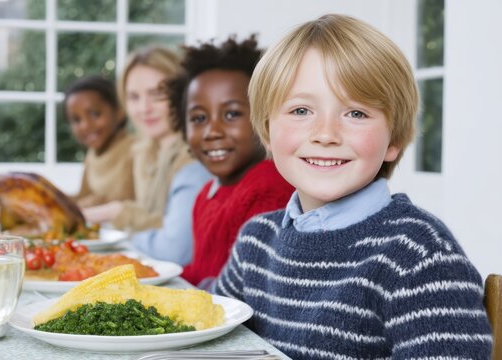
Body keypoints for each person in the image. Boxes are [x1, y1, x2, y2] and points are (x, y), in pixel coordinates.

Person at [213, 14, 492, 359]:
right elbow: (206, 334)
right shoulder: (256, 242)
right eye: (301, 110)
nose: (326, 134)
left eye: (356, 113)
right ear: (268, 132)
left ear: (395, 141)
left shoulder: (418, 256)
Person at [167, 35, 294, 287]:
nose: (212, 131)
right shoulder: (206, 195)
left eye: (232, 114)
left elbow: (255, 285)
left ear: (266, 118)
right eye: (199, 118)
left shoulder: (270, 186)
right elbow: (202, 270)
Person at [82, 47, 211, 265]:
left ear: (183, 94)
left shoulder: (195, 158)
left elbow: (175, 246)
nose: (144, 108)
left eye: (157, 95)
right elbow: (154, 224)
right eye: (133, 97)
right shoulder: (145, 151)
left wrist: (120, 217)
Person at [65, 76, 135, 208]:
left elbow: (128, 201)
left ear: (119, 112)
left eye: (94, 114)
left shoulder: (135, 150)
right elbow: (84, 196)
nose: (85, 125)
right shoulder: (92, 155)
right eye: (76, 120)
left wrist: (83, 205)